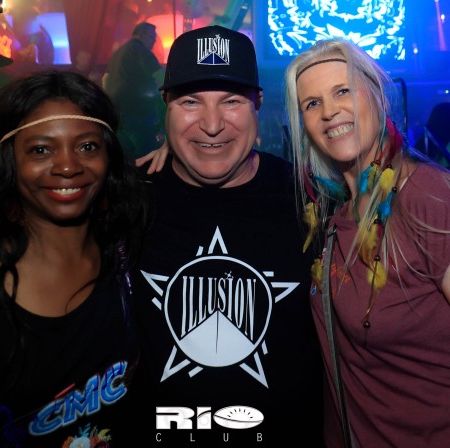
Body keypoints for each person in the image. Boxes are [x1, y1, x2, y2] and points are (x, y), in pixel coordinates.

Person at [130, 25, 324, 447]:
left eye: (231, 101)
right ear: (166, 106)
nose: (212, 125)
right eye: (190, 102)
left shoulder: (311, 197)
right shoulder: (127, 199)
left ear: (258, 104)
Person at [285, 38, 450, 447]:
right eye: (312, 103)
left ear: (377, 94)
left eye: (342, 90)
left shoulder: (425, 197)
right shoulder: (335, 216)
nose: (329, 111)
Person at [0, 70, 147, 446]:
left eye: (87, 147)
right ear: (10, 159)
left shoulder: (124, 254)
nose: (68, 166)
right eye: (41, 150)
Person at [103, 21, 165, 159]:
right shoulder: (141, 51)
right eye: (152, 37)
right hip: (137, 110)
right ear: (141, 35)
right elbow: (159, 75)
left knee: (124, 153)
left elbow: (105, 79)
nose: (154, 41)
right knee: (147, 151)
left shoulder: (117, 53)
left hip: (118, 111)